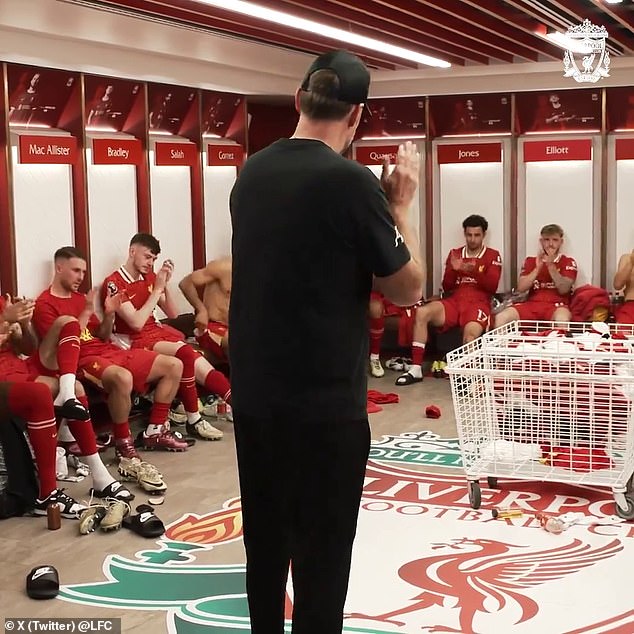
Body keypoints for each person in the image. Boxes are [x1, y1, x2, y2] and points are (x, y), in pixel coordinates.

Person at [228, 49, 425, 634]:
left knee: (265, 542)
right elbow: (407, 287)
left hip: (257, 398)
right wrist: (401, 203)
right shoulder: (353, 184)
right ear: (356, 117)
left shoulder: (250, 174)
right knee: (323, 553)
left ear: (298, 100)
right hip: (324, 407)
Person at [33, 247, 188, 459]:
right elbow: (65, 345)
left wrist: (109, 314)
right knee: (122, 378)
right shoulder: (45, 304)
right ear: (59, 268)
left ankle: (155, 431)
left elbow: (103, 335)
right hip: (81, 360)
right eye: (76, 271)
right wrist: (88, 311)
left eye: (84, 272)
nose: (81, 277)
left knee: (173, 365)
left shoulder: (80, 298)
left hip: (108, 350)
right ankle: (124, 443)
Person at [0, 296, 134, 513]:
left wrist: (23, 325)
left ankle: (99, 473)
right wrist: (5, 319)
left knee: (68, 322)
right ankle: (48, 495)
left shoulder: (2, 301)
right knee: (41, 393)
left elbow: (29, 347)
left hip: (19, 367)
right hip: (3, 379)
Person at [102, 233, 229, 440]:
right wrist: (157, 290)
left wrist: (164, 285)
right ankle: (193, 418)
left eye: (153, 259)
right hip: (134, 339)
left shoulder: (150, 278)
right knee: (186, 354)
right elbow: (135, 322)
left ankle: (234, 407)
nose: (150, 263)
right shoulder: (114, 282)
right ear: (132, 251)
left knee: (198, 361)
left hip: (158, 332)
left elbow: (173, 313)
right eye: (147, 257)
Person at [396, 214, 501, 386]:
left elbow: (491, 286)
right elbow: (447, 286)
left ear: (484, 235)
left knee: (471, 334)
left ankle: (468, 376)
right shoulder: (456, 254)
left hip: (478, 302)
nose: (472, 239)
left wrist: (469, 269)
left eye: (477, 235)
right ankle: (415, 369)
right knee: (422, 312)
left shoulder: (492, 255)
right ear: (464, 234)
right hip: (455, 300)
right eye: (469, 235)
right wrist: (453, 269)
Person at [495, 224, 577, 327]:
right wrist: (538, 268)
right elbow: (521, 288)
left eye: (555, 240)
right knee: (501, 317)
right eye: (547, 240)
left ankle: (560, 342)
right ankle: (503, 343)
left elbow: (564, 289)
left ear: (561, 242)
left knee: (562, 319)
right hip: (532, 304)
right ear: (541, 241)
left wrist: (550, 266)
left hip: (556, 306)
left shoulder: (568, 262)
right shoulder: (530, 261)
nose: (550, 244)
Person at [179, 256, 231, 363]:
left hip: (239, 329)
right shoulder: (224, 266)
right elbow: (186, 283)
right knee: (240, 342)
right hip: (214, 327)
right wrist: (201, 310)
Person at [613, 250, 634, 324]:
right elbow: (617, 285)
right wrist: (631, 262)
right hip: (630, 306)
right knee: (621, 334)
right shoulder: (627, 258)